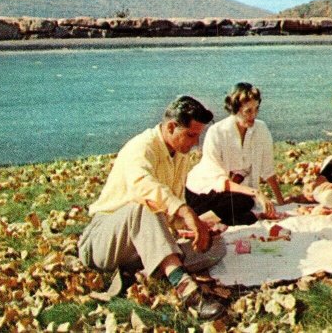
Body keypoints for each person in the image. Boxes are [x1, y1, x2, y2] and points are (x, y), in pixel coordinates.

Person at [78, 96, 226, 321]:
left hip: (139, 242)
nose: (195, 143)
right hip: (103, 241)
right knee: (143, 206)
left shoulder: (180, 155)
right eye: (191, 135)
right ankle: (188, 293)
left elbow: (171, 211)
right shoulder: (141, 146)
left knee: (215, 246)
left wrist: (193, 227)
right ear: (170, 127)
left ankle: (142, 270)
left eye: (198, 136)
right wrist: (186, 212)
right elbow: (144, 188)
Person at [185, 83, 284, 226]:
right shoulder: (217, 132)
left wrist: (281, 203)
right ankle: (197, 223)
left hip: (233, 196)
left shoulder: (261, 129)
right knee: (244, 201)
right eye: (248, 111)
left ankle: (210, 220)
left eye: (256, 109)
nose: (253, 115)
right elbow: (218, 181)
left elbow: (268, 170)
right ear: (235, 110)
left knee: (248, 217)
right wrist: (255, 192)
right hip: (202, 192)